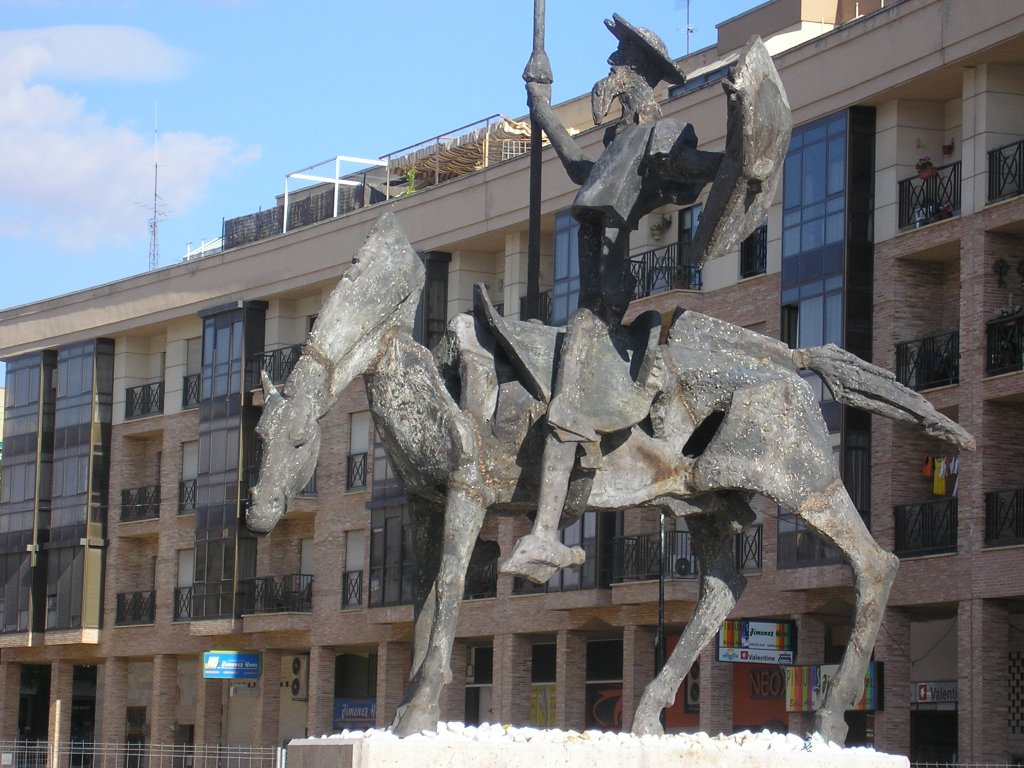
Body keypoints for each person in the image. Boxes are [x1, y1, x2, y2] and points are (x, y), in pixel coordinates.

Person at [500, 15, 723, 583]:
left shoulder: (659, 137)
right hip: (593, 299)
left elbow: (692, 166)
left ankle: (548, 532)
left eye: (616, 63)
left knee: (568, 394)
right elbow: (581, 168)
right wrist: (543, 107)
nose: (607, 71)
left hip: (606, 303)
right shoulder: (620, 143)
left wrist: (735, 160)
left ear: (637, 76)